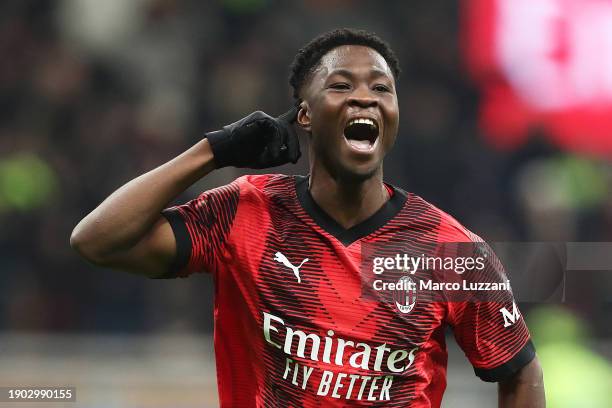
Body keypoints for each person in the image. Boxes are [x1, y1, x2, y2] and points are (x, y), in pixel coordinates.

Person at [71, 28, 545, 407]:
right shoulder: (246, 210)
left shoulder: (449, 250)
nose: (365, 97)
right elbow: (96, 240)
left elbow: (520, 371)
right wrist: (212, 152)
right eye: (341, 85)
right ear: (305, 116)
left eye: (382, 88)